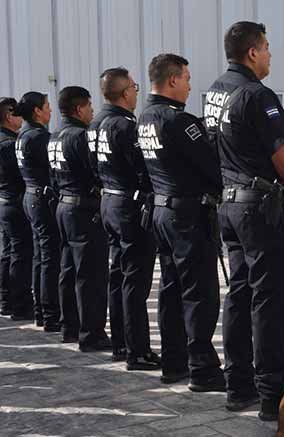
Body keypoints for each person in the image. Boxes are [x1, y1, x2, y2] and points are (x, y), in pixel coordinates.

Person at [210, 21, 284, 420]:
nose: (270, 54)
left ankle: (238, 385)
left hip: (231, 204)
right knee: (273, 300)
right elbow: (283, 160)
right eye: (267, 47)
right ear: (252, 52)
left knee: (240, 294)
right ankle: (273, 395)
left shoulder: (217, 91)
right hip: (263, 208)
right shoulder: (257, 94)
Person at [137, 53, 225, 391]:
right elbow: (212, 168)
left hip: (162, 211)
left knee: (171, 289)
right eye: (186, 79)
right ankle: (203, 369)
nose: (189, 85)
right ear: (172, 80)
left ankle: (174, 362)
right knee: (199, 293)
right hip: (187, 215)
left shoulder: (145, 117)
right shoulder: (179, 121)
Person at [90, 67, 160, 368]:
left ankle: (120, 342)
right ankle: (138, 350)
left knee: (118, 275)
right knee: (135, 281)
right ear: (124, 93)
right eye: (134, 87)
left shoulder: (95, 124)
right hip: (130, 206)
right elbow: (143, 168)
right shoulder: (125, 125)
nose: (136, 93)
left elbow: (92, 167)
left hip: (108, 200)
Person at [49, 86, 113, 352]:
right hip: (84, 209)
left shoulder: (55, 135)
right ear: (78, 109)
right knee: (91, 274)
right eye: (89, 106)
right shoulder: (80, 137)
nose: (92, 111)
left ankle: (70, 327)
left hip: (64, 206)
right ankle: (91, 333)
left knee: (68, 270)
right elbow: (96, 172)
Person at [15, 91, 61, 332]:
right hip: (42, 199)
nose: (50, 110)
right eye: (47, 106)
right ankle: (51, 313)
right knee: (50, 258)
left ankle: (41, 312)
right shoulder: (39, 137)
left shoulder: (23, 135)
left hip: (31, 196)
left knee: (40, 256)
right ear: (37, 111)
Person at [0, 98, 34, 321]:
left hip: (4, 201)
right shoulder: (9, 144)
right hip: (14, 201)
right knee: (21, 255)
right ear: (9, 116)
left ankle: (6, 301)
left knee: (8, 253)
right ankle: (20, 304)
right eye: (18, 113)